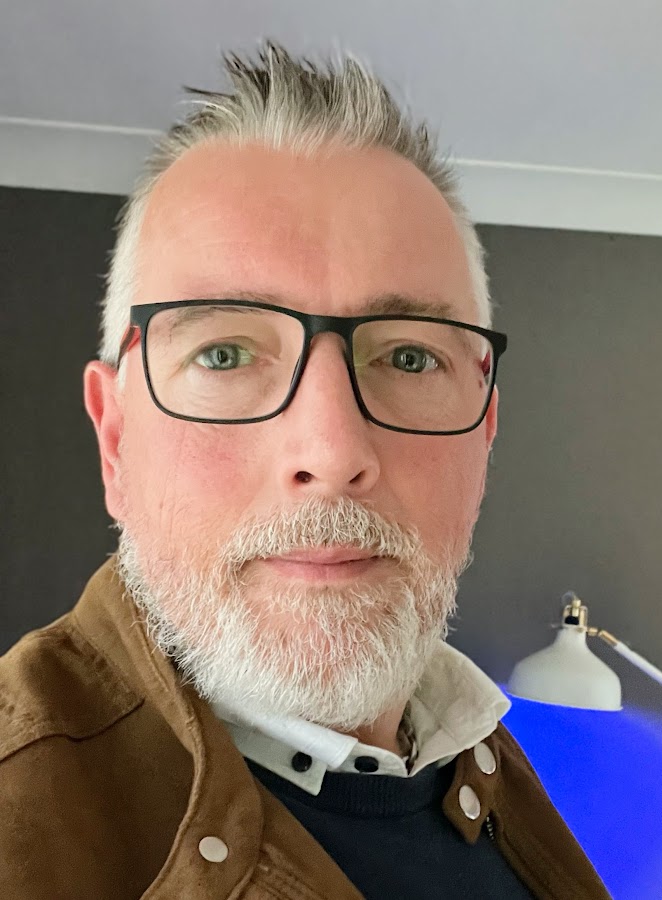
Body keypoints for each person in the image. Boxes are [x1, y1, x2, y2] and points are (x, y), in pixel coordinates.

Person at [0, 42, 612, 899]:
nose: (331, 454)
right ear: (115, 438)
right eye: (223, 352)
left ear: (485, 434)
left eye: (408, 357)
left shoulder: (485, 764)